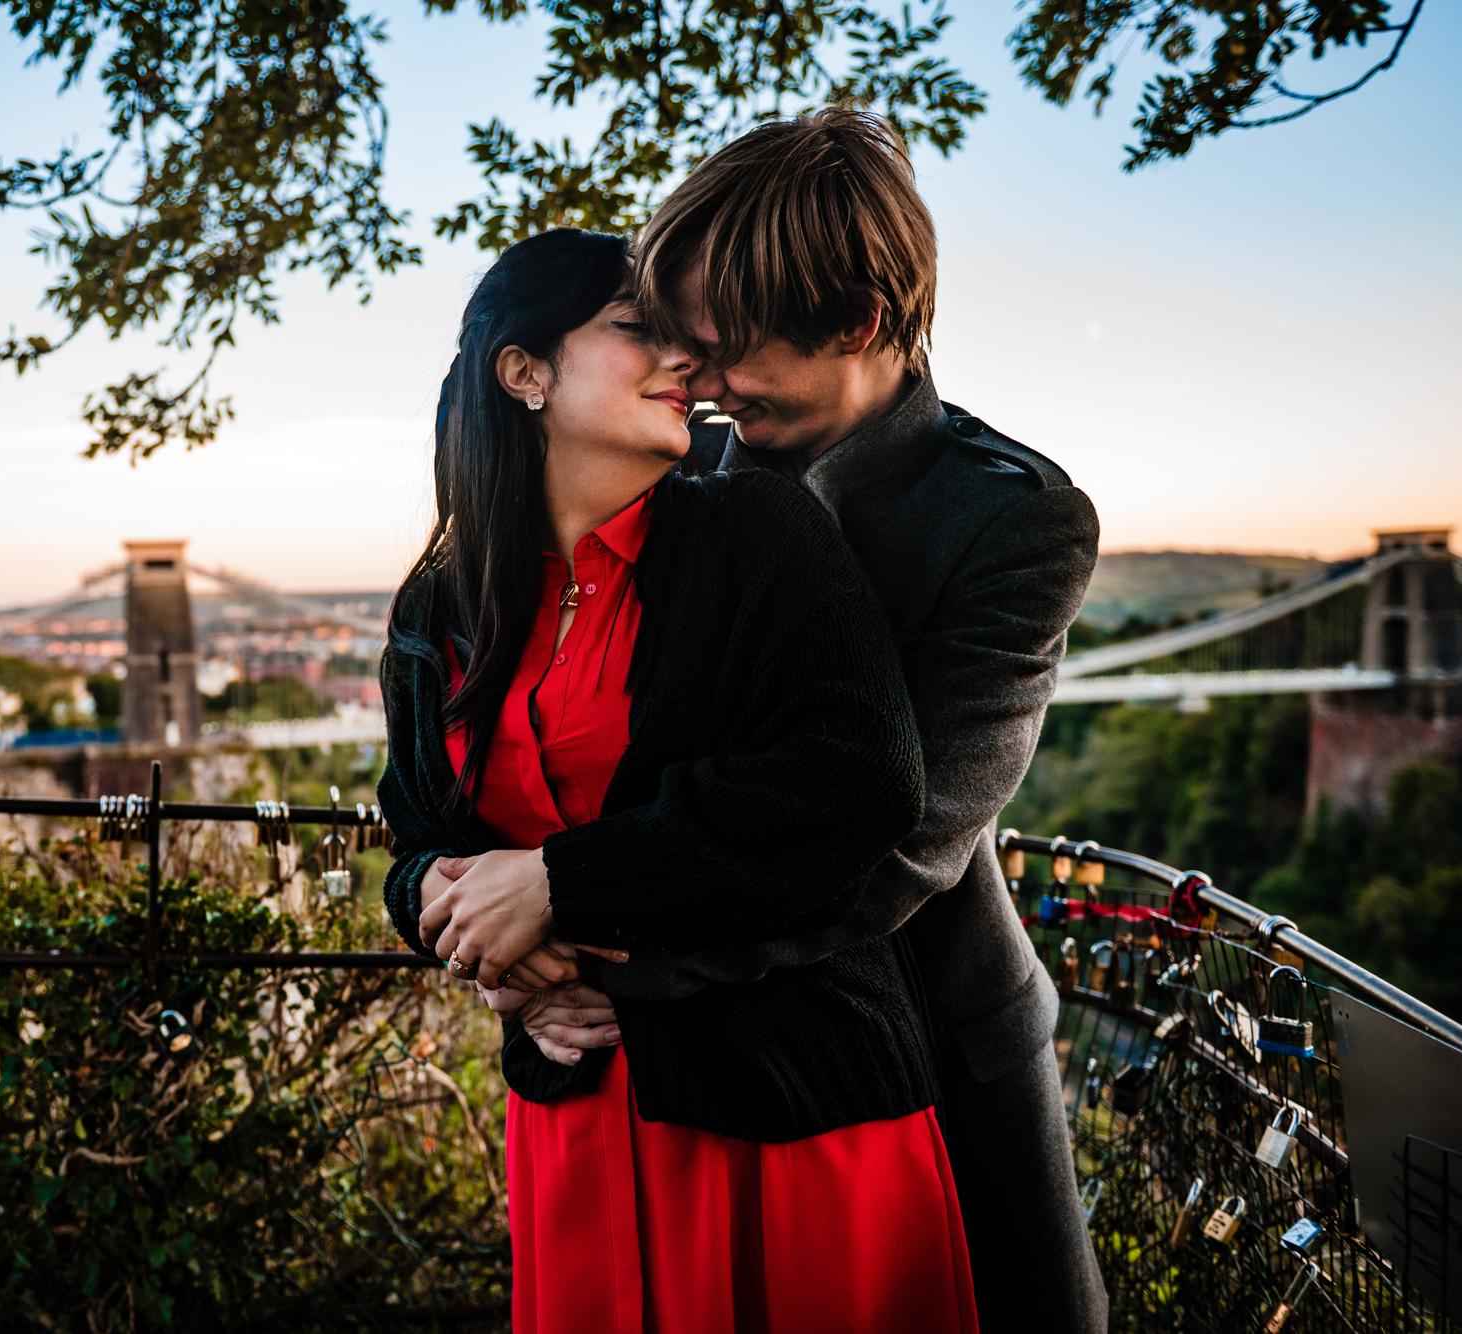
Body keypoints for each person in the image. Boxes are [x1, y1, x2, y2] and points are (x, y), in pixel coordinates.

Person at [474, 109, 1108, 1332]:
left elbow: (893, 843)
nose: (692, 380)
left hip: (923, 1035)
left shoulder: (1011, 520)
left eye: (722, 351)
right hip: (684, 1069)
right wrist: (507, 945)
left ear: (859, 325)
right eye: (673, 345)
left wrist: (578, 934)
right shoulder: (681, 469)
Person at [377, 226, 979, 1333]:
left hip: (783, 1111)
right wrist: (468, 935)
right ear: (523, 371)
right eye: (635, 330)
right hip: (572, 1107)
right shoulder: (439, 608)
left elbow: (859, 778)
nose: (687, 366)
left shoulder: (754, 527)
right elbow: (413, 840)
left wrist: (560, 883)